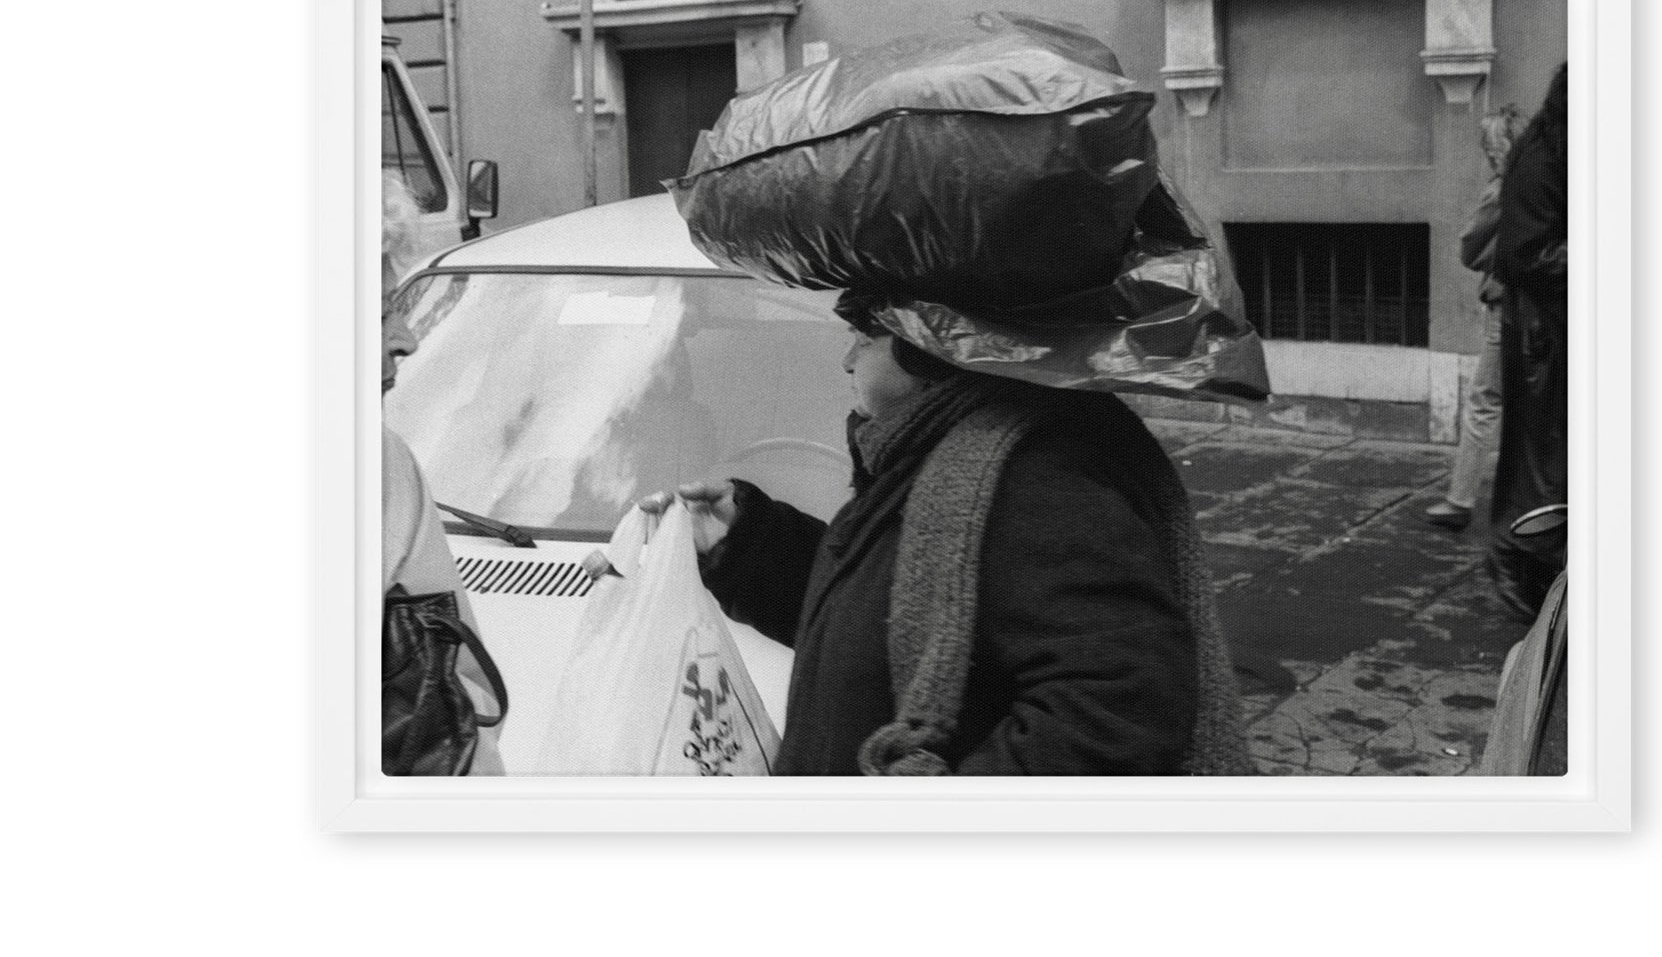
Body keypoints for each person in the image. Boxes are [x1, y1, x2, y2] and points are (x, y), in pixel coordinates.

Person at [647, 299, 1251, 777]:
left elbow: (1115, 710)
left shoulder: (1039, 480)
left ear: (930, 344)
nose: (847, 361)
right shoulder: (931, 457)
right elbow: (888, 615)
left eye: (865, 337)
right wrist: (745, 543)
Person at [381, 173, 505, 774]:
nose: (405, 341)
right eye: (376, 314)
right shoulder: (373, 465)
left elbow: (458, 694)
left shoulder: (381, 466)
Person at [1486, 64, 1569, 621]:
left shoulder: (1553, 150)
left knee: (1550, 456)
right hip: (1543, 334)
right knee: (1541, 459)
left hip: (1553, 327)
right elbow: (1523, 253)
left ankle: (1530, 561)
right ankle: (1519, 559)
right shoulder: (1540, 157)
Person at [1425, 106, 1525, 531]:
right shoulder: (1556, 185)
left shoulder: (1503, 190)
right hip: (1549, 306)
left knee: (1485, 401)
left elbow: (1470, 247)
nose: (1487, 152)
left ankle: (1460, 499)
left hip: (1507, 305)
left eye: (1491, 144)